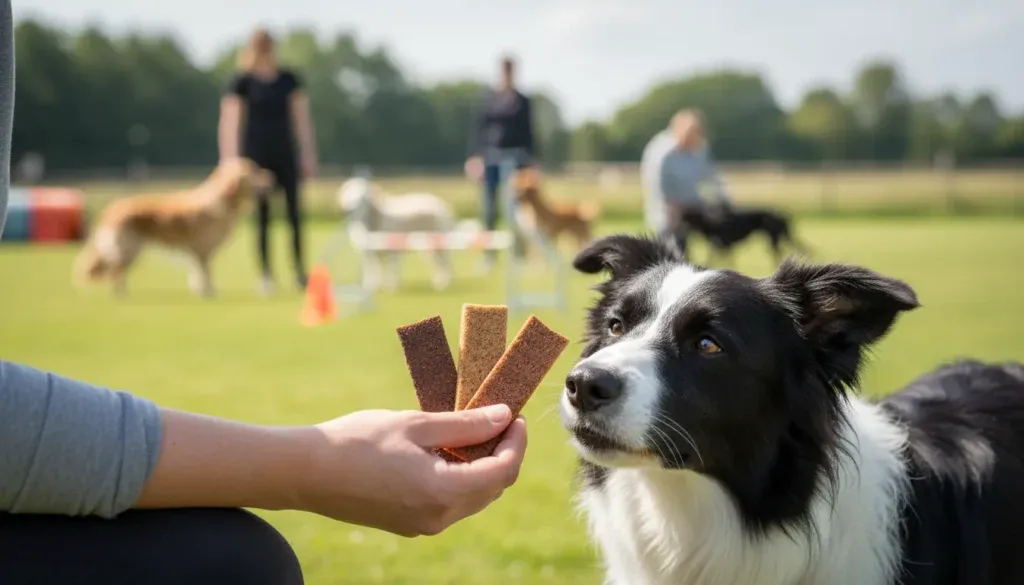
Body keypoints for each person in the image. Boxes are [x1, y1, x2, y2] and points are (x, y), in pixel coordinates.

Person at [0, 8, 527, 583]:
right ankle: (272, 271)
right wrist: (318, 464)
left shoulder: (290, 84)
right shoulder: (241, 87)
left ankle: (294, 270)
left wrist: (314, 462)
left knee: (243, 558)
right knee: (245, 563)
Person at [218, 28, 317, 295]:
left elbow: (302, 120)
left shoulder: (289, 79)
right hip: (255, 161)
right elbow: (230, 122)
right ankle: (266, 275)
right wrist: (230, 161)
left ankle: (299, 272)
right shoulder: (242, 81)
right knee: (262, 218)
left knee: (294, 216)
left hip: (285, 153)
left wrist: (307, 153)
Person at [464, 55, 538, 268]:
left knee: (516, 209)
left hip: (515, 159)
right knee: (489, 209)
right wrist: (474, 157)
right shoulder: (489, 97)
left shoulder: (522, 100)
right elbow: (479, 129)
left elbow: (529, 131)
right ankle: (489, 255)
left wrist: (531, 162)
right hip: (490, 158)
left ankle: (518, 254)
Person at [639, 109, 732, 235]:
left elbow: (711, 176)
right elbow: (655, 182)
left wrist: (721, 198)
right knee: (670, 243)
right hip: (667, 211)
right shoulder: (662, 152)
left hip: (690, 207)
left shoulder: (699, 149)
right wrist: (672, 205)